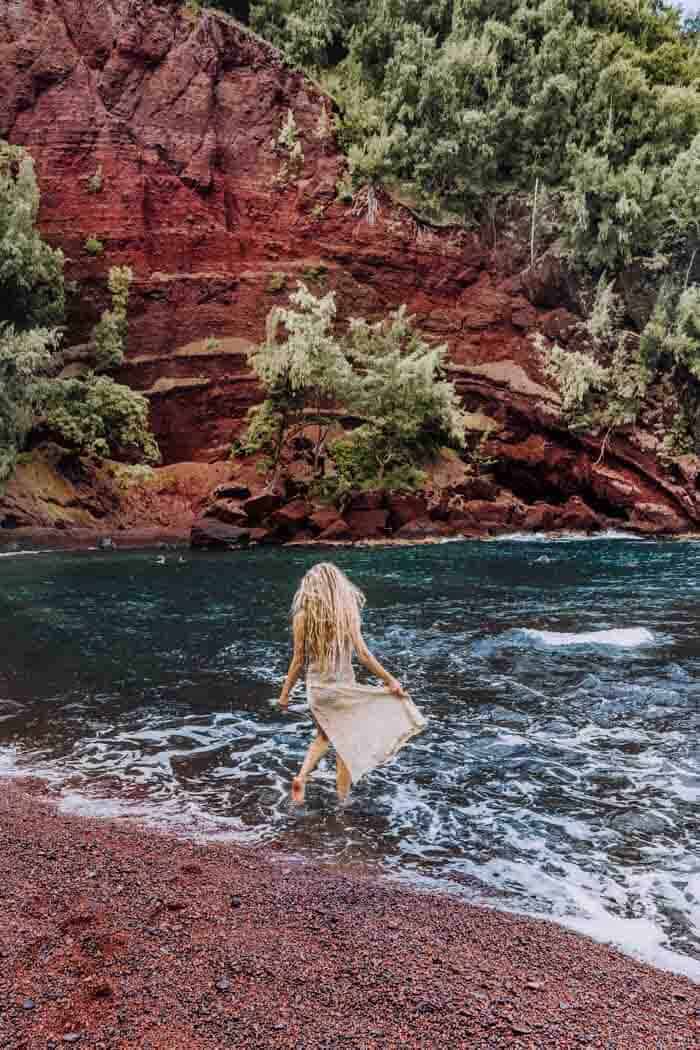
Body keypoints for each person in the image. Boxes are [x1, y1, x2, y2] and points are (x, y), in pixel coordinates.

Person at [278, 562, 426, 804]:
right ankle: (343, 801)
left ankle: (302, 777)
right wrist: (390, 681)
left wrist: (284, 695)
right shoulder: (347, 613)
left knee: (326, 735)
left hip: (317, 691)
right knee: (344, 744)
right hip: (342, 689)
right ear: (337, 585)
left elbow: (297, 661)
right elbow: (364, 655)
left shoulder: (302, 617)